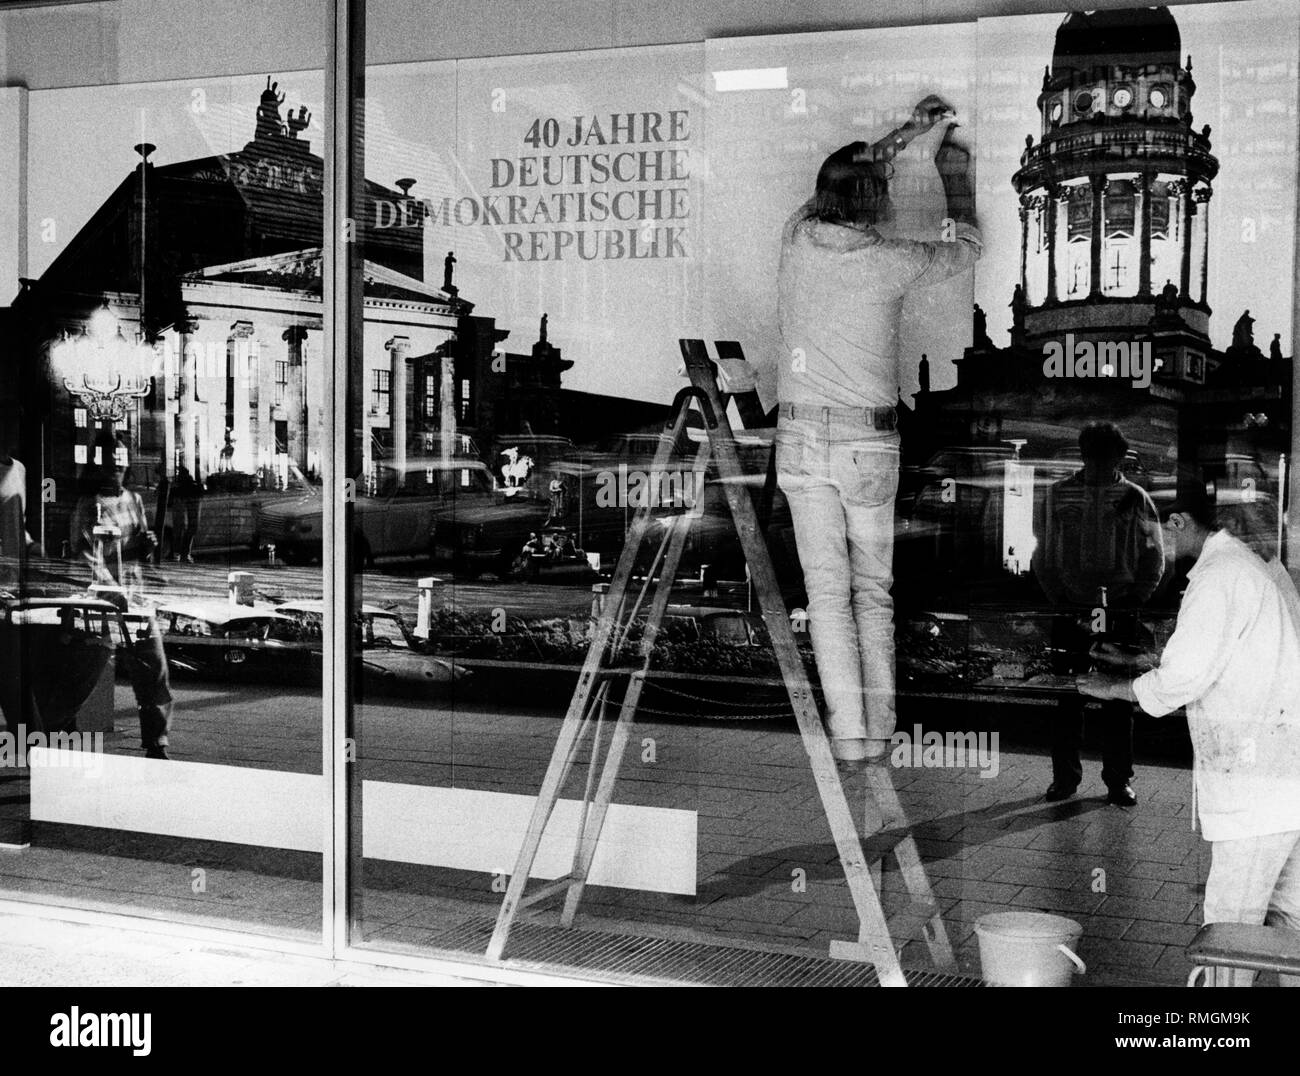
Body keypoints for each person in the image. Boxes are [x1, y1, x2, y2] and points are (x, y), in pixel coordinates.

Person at [776, 94, 983, 767]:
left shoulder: (798, 239)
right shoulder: (894, 259)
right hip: (868, 448)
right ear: (875, 203)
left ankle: (850, 736)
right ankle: (879, 730)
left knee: (827, 596)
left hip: (801, 441)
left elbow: (848, 176)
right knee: (871, 595)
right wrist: (953, 175)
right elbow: (967, 248)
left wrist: (906, 134)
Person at [1079, 485, 1300, 985]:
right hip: (1287, 782)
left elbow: (1183, 680)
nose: (1150, 548)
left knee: (1228, 935)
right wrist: (1144, 660)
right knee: (1290, 929)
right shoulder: (1257, 565)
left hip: (1256, 791)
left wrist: (1114, 686)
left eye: (1150, 535)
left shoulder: (1221, 576)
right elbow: (1232, 657)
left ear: (1177, 521)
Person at [1032, 423, 1163, 805]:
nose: (1103, 465)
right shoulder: (1059, 496)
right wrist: (1057, 595)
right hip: (1076, 604)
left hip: (1114, 605)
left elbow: (1153, 554)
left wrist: (1136, 596)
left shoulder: (1133, 498)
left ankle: (1109, 779)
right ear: (1086, 455)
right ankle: (1079, 780)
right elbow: (1042, 549)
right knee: (1071, 698)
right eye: (1098, 457)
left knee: (1116, 701)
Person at [69, 434, 173, 759]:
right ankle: (66, 739)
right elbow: (87, 557)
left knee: (154, 670)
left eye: (120, 458)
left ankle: (157, 743)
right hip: (104, 602)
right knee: (87, 676)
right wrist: (113, 587)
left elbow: (136, 548)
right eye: (109, 459)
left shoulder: (134, 500)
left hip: (136, 598)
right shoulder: (89, 506)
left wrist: (148, 545)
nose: (116, 465)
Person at [170, 464, 204, 563]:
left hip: (183, 499)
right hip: (191, 499)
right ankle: (185, 553)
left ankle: (179, 553)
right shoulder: (193, 486)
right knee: (190, 528)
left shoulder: (178, 487)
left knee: (181, 527)